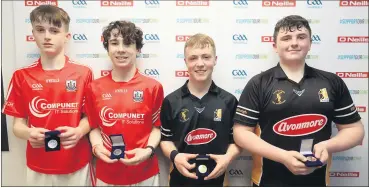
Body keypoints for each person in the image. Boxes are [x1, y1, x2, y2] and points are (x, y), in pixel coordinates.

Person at [233, 15, 365, 186]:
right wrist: (282, 157)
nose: (294, 43)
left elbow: (354, 129)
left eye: (301, 37)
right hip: (267, 181)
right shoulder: (258, 83)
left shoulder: (332, 82)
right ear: (275, 46)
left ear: (310, 43)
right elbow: (241, 133)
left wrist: (327, 146)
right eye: (286, 38)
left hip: (318, 181)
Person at [2, 5, 93, 186]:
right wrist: (29, 133)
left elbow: (91, 117)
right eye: (40, 30)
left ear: (66, 37)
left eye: (54, 30)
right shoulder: (21, 76)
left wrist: (79, 131)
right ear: (33, 34)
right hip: (38, 166)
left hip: (76, 164)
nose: (47, 36)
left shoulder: (84, 73)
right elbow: (17, 126)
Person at [85, 20, 163, 186]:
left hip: (144, 174)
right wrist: (97, 147)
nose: (120, 49)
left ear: (138, 49)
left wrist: (148, 150)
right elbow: (94, 128)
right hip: (107, 174)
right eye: (114, 43)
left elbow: (157, 127)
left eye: (128, 43)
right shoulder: (93, 88)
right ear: (107, 48)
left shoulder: (153, 87)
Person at [160, 33, 241, 186]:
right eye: (193, 58)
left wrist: (227, 158)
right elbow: (165, 140)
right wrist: (175, 156)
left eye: (206, 57)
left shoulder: (229, 101)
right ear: (185, 62)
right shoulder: (171, 101)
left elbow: (237, 140)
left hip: (218, 181)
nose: (200, 63)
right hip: (180, 180)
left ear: (215, 60)